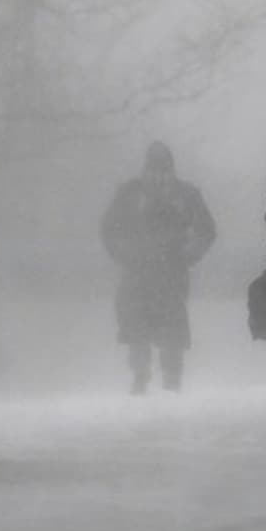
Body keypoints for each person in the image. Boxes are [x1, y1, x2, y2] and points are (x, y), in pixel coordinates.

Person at [102, 141, 216, 394]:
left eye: (163, 168)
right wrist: (124, 254)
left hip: (171, 272)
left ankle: (172, 380)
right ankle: (140, 378)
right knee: (136, 327)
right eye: (153, 168)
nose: (158, 174)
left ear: (171, 168)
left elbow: (207, 230)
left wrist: (189, 254)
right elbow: (109, 230)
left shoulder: (187, 195)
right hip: (137, 271)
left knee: (172, 328)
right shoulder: (129, 193)